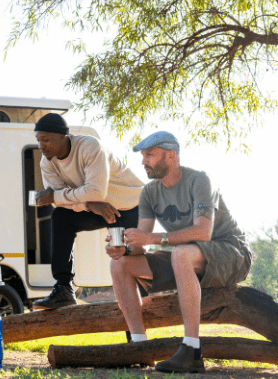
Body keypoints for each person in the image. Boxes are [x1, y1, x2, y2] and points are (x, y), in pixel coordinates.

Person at [107, 131, 252, 373]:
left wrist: (152, 238)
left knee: (181, 253)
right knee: (120, 264)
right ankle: (140, 346)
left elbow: (203, 232)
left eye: (150, 155)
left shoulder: (200, 180)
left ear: (172, 155)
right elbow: (143, 242)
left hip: (231, 252)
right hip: (187, 256)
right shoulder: (150, 192)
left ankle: (192, 350)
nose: (144, 161)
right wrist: (126, 248)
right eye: (143, 156)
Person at [31, 113, 144, 309]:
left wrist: (84, 200)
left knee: (125, 260)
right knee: (61, 217)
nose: (41, 145)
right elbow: (61, 201)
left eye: (46, 139)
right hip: (99, 208)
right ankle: (64, 288)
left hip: (129, 206)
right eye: (38, 140)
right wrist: (89, 205)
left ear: (62, 136)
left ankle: (139, 323)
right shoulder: (47, 162)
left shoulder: (90, 147)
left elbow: (94, 191)